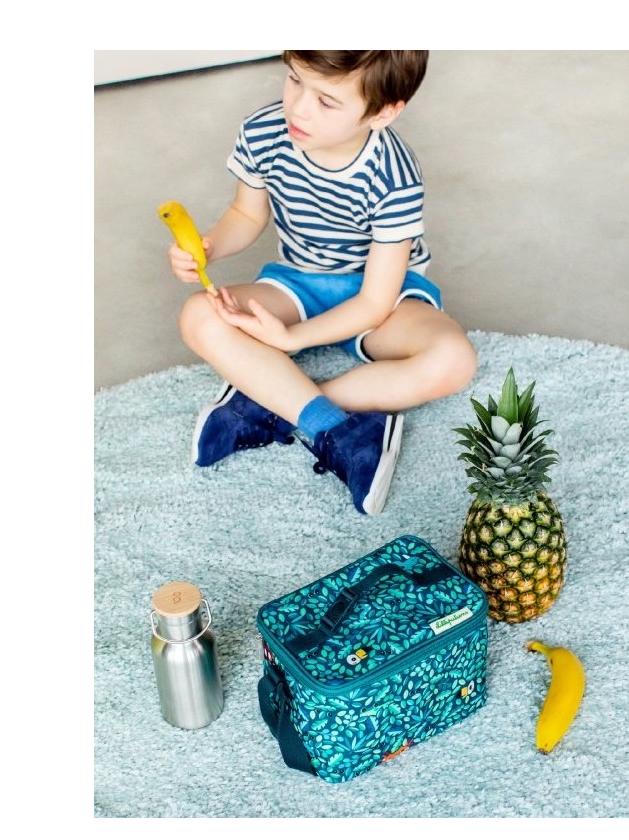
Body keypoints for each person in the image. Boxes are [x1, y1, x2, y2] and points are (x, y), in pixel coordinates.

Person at [169, 50, 477, 515]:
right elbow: (245, 215)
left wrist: (291, 339)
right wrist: (208, 246)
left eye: (326, 101)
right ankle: (340, 426)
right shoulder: (264, 131)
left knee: (454, 361)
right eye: (295, 80)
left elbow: (374, 303)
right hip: (298, 282)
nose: (298, 108)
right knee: (198, 314)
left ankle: (272, 401)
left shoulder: (394, 176)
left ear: (383, 112)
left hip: (385, 298)